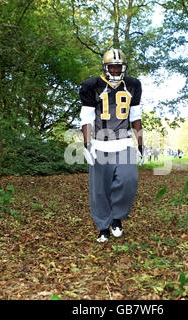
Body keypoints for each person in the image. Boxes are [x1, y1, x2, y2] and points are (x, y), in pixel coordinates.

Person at [79, 48, 143, 243]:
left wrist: (140, 145)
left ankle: (117, 217)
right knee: (100, 189)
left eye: (118, 68)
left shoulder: (132, 85)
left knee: (128, 180)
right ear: (105, 68)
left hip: (123, 143)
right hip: (100, 143)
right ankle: (103, 227)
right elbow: (87, 118)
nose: (115, 72)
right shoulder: (92, 85)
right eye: (112, 68)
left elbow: (136, 117)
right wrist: (86, 144)